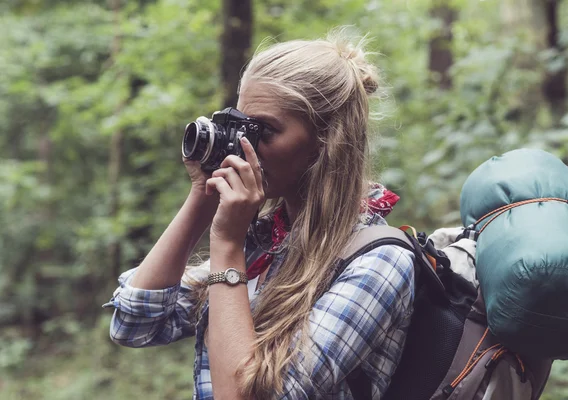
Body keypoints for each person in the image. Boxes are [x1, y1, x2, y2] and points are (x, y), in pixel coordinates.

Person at [104, 29, 415, 399]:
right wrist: (202, 197)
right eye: (240, 126)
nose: (243, 145)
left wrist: (226, 244)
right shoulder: (268, 243)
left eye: (263, 130)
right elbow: (135, 322)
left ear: (327, 141)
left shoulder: (380, 262)